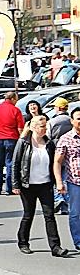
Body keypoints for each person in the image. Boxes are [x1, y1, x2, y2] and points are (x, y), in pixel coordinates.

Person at [12, 116, 68, 257]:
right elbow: (15, 164)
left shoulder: (49, 144)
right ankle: (23, 242)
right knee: (28, 215)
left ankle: (55, 247)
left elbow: (55, 164)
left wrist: (57, 182)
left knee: (49, 216)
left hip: (45, 185)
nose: (45, 129)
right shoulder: (23, 143)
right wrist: (15, 184)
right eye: (42, 126)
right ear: (34, 127)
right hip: (28, 185)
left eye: (45, 126)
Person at [0, 92, 25, 195]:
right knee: (10, 164)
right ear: (12, 99)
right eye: (16, 99)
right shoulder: (16, 110)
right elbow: (20, 128)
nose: (17, 101)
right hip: (11, 138)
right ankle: (9, 188)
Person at [54, 107, 80, 251]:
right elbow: (57, 161)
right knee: (75, 213)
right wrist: (59, 181)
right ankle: (78, 240)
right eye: (78, 118)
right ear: (72, 121)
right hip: (75, 182)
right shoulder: (66, 139)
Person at [48, 97, 72, 214]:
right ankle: (65, 203)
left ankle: (58, 198)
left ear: (58, 108)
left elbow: (47, 137)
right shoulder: (71, 120)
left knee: (56, 176)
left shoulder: (52, 122)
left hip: (55, 152)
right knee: (66, 178)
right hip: (69, 153)